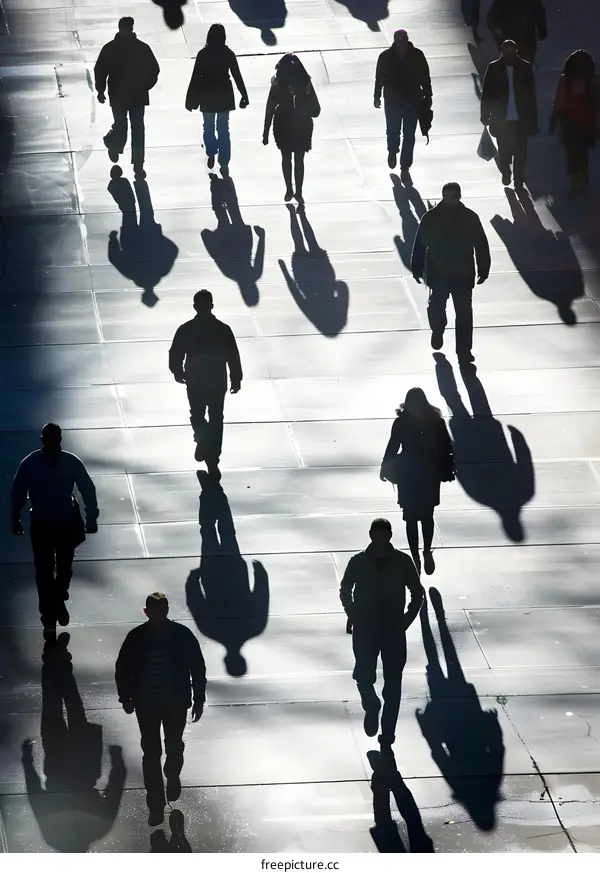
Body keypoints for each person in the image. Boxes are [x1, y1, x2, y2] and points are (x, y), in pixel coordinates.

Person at [115, 593, 207, 826]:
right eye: (156, 611)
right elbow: (123, 667)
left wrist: (199, 698)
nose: (159, 615)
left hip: (168, 703)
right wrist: (125, 696)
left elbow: (197, 667)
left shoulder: (169, 635)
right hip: (151, 704)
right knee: (152, 751)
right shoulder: (152, 636)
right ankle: (156, 804)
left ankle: (172, 775)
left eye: (162, 610)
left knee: (170, 746)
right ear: (147, 612)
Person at [340, 518, 423, 751]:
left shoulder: (402, 562)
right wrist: (353, 614)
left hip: (390, 629)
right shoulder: (358, 562)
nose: (378, 540)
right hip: (367, 627)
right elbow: (345, 590)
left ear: (388, 535)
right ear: (370, 535)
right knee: (364, 675)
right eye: (375, 535)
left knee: (393, 685)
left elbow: (418, 594)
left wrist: (405, 621)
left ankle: (387, 735)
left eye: (382, 535)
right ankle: (371, 704)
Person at [10, 423, 99, 642]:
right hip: (46, 524)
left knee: (60, 569)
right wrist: (91, 516)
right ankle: (50, 614)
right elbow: (19, 491)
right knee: (46, 571)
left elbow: (19, 492)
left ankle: (56, 603)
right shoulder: (52, 462)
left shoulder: (35, 463)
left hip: (58, 523)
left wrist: (15, 517)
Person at [411, 182, 490, 366]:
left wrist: (483, 267)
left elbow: (481, 244)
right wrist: (416, 267)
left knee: (464, 314)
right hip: (439, 273)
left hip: (462, 274)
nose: (449, 200)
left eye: (453, 196)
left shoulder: (470, 218)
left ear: (459, 196)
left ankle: (464, 351)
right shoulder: (431, 217)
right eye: (446, 196)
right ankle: (438, 329)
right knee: (436, 307)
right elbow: (420, 244)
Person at [168, 289, 242, 475]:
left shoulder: (188, 329)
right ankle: (209, 451)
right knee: (210, 417)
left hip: (201, 381)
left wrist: (177, 370)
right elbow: (232, 355)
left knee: (204, 416)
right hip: (208, 381)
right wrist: (235, 377)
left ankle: (206, 446)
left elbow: (176, 352)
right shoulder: (221, 329)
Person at [380, 389, 454, 575]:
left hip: (412, 472)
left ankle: (420, 554)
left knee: (416, 516)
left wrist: (386, 465)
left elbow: (393, 445)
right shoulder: (435, 422)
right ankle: (421, 553)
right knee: (418, 516)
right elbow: (447, 447)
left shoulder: (403, 422)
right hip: (426, 472)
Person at [94, 17, 160, 179]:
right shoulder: (141, 48)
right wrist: (145, 85)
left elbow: (100, 70)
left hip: (119, 94)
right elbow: (154, 70)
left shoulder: (110, 48)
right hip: (134, 94)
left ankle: (120, 149)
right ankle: (136, 162)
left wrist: (101, 90)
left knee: (124, 125)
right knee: (135, 127)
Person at [185, 23, 249, 172]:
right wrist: (244, 95)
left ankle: (211, 152)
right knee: (223, 128)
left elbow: (195, 77)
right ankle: (224, 161)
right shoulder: (228, 54)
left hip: (207, 93)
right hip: (224, 94)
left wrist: (190, 99)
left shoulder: (203, 54)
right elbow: (237, 75)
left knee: (208, 127)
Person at [263, 53, 321, 204]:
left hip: (282, 123)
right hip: (302, 124)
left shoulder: (277, 84)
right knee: (299, 159)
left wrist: (265, 132)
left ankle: (289, 189)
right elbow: (316, 109)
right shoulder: (305, 82)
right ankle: (299, 191)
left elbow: (270, 107)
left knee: (286, 158)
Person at [480, 40, 539, 188]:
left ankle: (518, 178)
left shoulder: (525, 67)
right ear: (502, 52)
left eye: (512, 53)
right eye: (507, 54)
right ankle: (506, 172)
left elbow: (531, 95)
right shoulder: (494, 68)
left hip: (521, 118)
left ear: (516, 52)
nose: (509, 57)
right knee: (504, 151)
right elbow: (487, 93)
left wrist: (532, 119)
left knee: (521, 153)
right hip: (502, 119)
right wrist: (485, 114)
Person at [373, 29, 432, 175]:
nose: (401, 43)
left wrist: (428, 95)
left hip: (412, 99)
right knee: (393, 130)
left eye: (403, 40)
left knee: (409, 134)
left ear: (407, 39)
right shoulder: (385, 57)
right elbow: (379, 77)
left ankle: (405, 166)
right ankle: (393, 151)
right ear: (395, 41)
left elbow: (425, 76)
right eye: (399, 41)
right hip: (393, 100)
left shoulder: (417, 55)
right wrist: (376, 96)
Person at [549, 50, 598, 198]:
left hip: (576, 124)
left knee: (575, 154)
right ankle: (578, 179)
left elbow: (557, 102)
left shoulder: (572, 80)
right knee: (578, 154)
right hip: (579, 124)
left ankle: (577, 180)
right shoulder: (589, 80)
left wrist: (553, 122)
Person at [487, 0, 547, 64]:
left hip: (511, 38)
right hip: (525, 38)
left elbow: (491, 18)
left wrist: (497, 31)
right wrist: (542, 32)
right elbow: (540, 15)